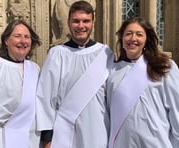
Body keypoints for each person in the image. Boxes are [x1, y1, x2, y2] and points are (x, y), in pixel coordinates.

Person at [36, 1, 114, 148]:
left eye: (86, 21)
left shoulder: (105, 53)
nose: (81, 26)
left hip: (98, 131)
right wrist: (47, 138)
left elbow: (112, 97)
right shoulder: (57, 54)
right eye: (76, 21)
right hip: (64, 132)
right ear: (68, 22)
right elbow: (45, 98)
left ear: (93, 23)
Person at [107, 17, 179, 148]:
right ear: (122, 40)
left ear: (146, 40)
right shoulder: (113, 71)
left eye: (139, 34)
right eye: (128, 34)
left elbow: (176, 110)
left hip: (155, 143)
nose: (133, 38)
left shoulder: (164, 66)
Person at [0, 19, 41, 148]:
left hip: (28, 139)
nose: (23, 41)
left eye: (27, 37)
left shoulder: (34, 69)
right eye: (17, 36)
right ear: (6, 40)